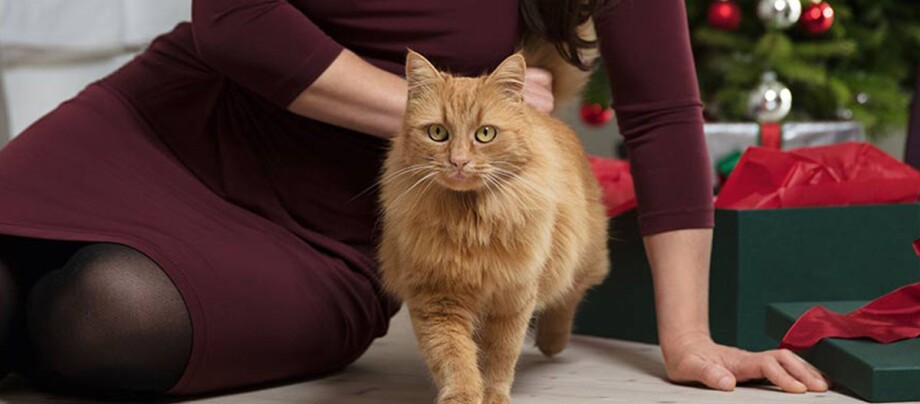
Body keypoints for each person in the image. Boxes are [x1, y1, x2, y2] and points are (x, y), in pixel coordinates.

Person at [0, 0, 828, 398]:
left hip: (331, 229)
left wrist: (687, 337)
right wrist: (437, 110)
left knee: (98, 319)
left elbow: (661, 112)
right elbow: (235, 19)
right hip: (166, 126)